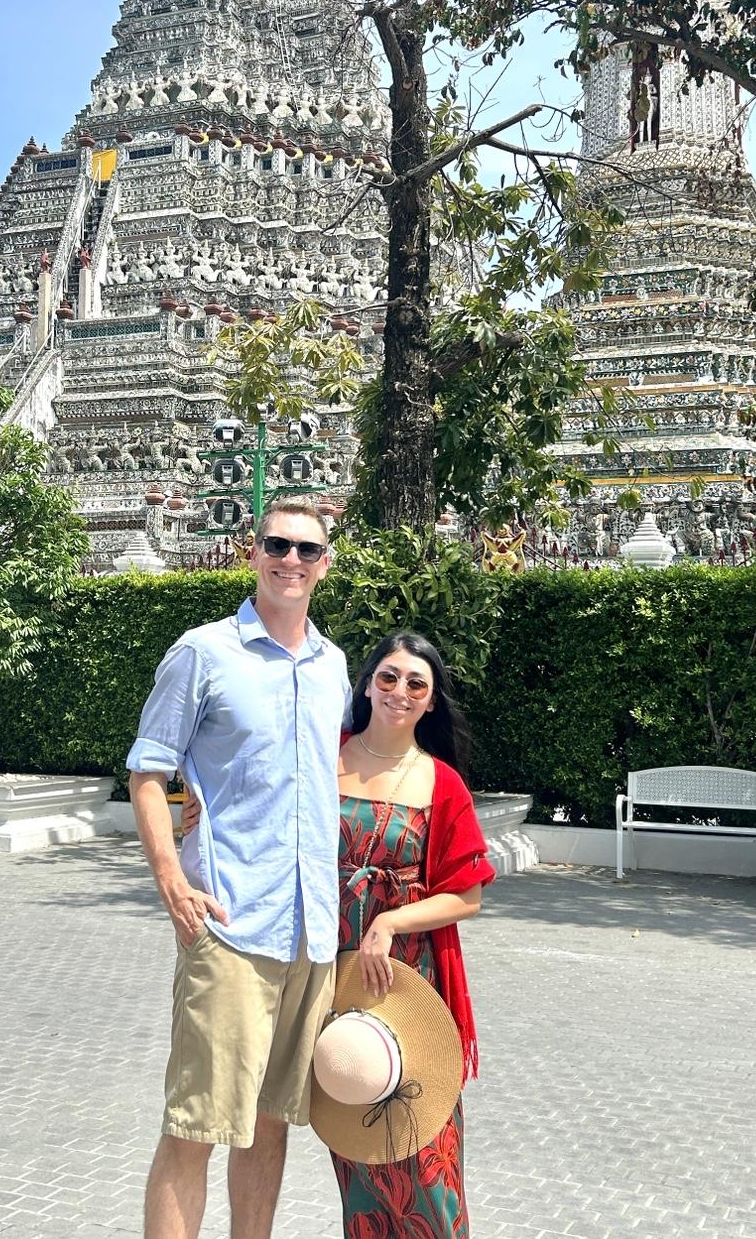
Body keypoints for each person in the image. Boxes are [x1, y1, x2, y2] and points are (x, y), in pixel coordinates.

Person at [183, 628, 495, 1238]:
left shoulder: (441, 783)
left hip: (407, 981)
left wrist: (391, 920)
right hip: (337, 978)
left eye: (415, 684)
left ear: (431, 701)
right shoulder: (325, 757)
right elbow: (251, 796)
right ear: (368, 684)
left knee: (426, 1153)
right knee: (361, 1155)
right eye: (388, 677)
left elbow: (468, 894)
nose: (399, 692)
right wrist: (195, 806)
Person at [128, 501, 351, 1239]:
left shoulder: (334, 666)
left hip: (311, 928)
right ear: (251, 552)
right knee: (195, 1126)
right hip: (229, 921)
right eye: (277, 545)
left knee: (271, 1124)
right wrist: (170, 877)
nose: (292, 560)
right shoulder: (203, 651)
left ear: (325, 563)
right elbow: (148, 771)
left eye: (307, 550)